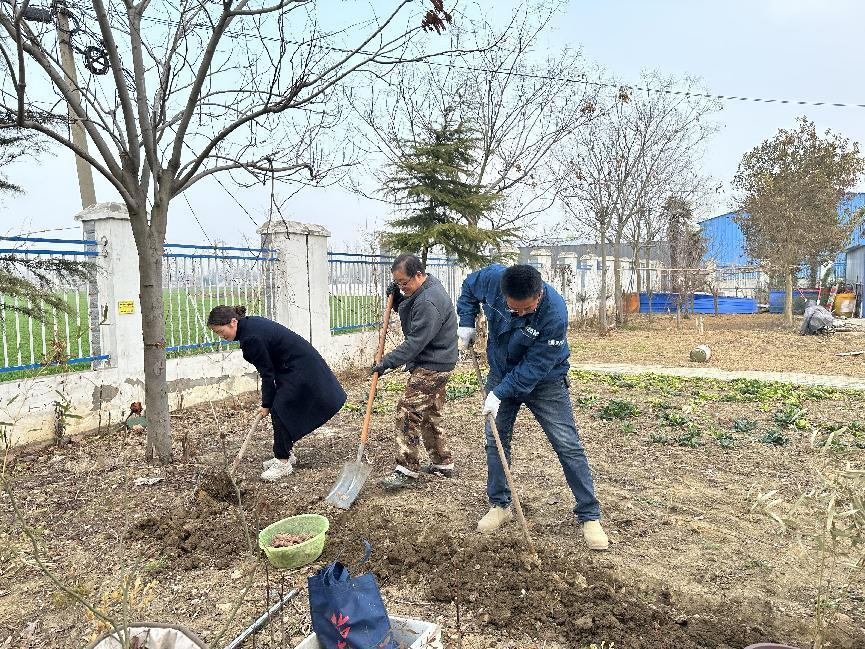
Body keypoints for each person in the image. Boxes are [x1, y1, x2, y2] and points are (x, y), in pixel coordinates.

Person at [456, 264, 609, 550]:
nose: (521, 313)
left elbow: (535, 367)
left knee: (567, 444)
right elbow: (468, 289)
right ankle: (500, 505)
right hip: (501, 371)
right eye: (514, 309)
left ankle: (589, 515)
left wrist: (498, 393)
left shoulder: (554, 312)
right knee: (495, 440)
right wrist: (466, 321)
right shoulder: (491, 279)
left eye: (527, 309)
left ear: (538, 295)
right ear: (503, 294)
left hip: (545, 381)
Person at [207, 305, 347, 482]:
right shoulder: (249, 326)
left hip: (301, 367)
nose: (221, 336)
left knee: (280, 409)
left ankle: (282, 461)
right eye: (217, 333)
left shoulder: (251, 337)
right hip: (293, 365)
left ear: (233, 322)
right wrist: (268, 402)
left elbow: (267, 374)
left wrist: (266, 404)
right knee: (280, 407)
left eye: (221, 331)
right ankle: (285, 453)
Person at [369, 253, 459, 490]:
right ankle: (442, 463)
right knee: (429, 413)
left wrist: (386, 362)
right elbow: (413, 310)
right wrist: (398, 299)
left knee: (407, 411)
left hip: (433, 364)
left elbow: (414, 343)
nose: (402, 287)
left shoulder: (429, 301)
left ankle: (407, 470)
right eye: (397, 283)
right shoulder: (425, 288)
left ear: (418, 275)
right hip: (439, 360)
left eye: (404, 283)